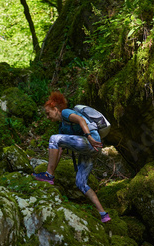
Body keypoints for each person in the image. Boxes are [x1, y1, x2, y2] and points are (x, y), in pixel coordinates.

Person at [32, 91, 111, 223]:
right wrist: (52, 168)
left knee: (53, 138)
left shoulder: (65, 113)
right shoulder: (62, 128)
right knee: (81, 183)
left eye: (48, 113)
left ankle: (48, 176)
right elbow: (59, 150)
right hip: (91, 149)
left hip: (91, 141)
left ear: (56, 109)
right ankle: (103, 214)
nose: (47, 117)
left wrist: (89, 137)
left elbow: (81, 120)